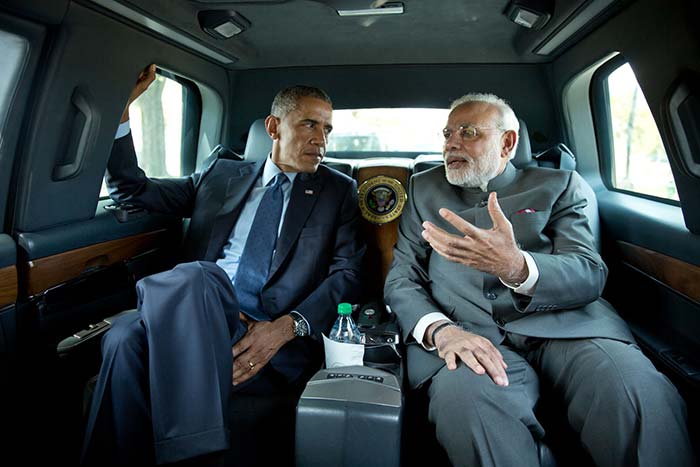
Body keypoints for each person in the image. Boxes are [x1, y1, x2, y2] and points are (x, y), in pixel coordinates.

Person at [384, 93, 695, 467]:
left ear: (508, 143)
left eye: (468, 132)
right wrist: (442, 332)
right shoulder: (422, 189)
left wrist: (517, 267)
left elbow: (588, 271)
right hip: (467, 333)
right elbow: (402, 278)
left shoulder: (561, 185)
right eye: (448, 132)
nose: (451, 142)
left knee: (636, 391)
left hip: (570, 328)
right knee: (466, 404)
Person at [81, 65, 365, 466]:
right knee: (151, 315)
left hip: (260, 325)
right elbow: (134, 192)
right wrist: (121, 111)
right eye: (309, 124)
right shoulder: (220, 173)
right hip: (193, 311)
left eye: (327, 129)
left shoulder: (338, 190)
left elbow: (348, 274)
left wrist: (287, 327)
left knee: (142, 321)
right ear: (273, 127)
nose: (321, 140)